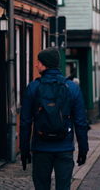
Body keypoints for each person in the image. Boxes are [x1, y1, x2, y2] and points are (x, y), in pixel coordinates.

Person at [20, 47, 89, 190]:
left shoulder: (33, 88)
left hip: (40, 149)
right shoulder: (72, 88)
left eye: (38, 62)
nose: (36, 65)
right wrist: (83, 149)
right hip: (64, 148)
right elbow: (81, 122)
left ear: (45, 64)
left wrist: (24, 148)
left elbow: (25, 122)